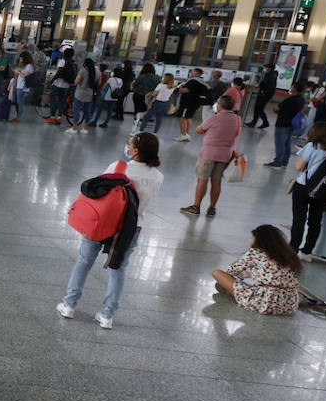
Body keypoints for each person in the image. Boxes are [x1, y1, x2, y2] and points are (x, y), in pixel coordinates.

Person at [56, 131, 163, 330]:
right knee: (118, 269)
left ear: (136, 151)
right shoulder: (158, 176)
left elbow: (98, 191)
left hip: (103, 223)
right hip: (131, 229)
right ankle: (107, 315)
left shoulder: (119, 167)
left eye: (129, 144)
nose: (127, 147)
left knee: (84, 261)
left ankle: (69, 305)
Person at [212, 225, 301, 317]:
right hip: (289, 304)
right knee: (246, 276)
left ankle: (233, 292)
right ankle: (235, 289)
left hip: (265, 303)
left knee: (217, 273)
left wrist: (249, 251)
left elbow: (231, 271)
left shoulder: (256, 252)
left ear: (258, 239)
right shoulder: (289, 255)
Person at [289, 122, 326, 260]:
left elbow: (299, 167)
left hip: (303, 186)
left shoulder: (312, 146)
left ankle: (292, 250)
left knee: (299, 220)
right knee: (315, 221)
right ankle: (307, 252)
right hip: (324, 189)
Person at [181, 95, 241, 218]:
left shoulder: (214, 118)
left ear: (220, 105)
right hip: (225, 154)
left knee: (202, 180)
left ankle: (196, 207)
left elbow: (199, 129)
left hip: (209, 153)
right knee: (216, 181)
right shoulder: (237, 119)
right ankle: (212, 208)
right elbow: (236, 136)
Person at [265, 80, 307, 169]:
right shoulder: (301, 100)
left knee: (280, 144)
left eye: (292, 87)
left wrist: (276, 110)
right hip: (292, 124)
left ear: (295, 89)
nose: (291, 88)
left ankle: (277, 163)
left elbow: (276, 109)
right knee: (287, 144)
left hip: (282, 124)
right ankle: (284, 162)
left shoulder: (289, 100)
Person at [174, 67, 208, 141]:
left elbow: (185, 90)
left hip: (187, 103)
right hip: (194, 103)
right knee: (188, 117)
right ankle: (186, 134)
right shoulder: (201, 81)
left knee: (182, 117)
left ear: (196, 73)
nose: (191, 72)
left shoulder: (193, 81)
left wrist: (179, 88)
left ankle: (183, 134)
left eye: (192, 71)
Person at [67, 56, 97, 134]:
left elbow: (76, 81)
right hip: (90, 94)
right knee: (87, 111)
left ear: (85, 64)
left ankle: (74, 128)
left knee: (76, 110)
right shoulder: (95, 72)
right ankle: (86, 129)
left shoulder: (83, 70)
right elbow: (98, 83)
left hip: (80, 93)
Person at [47, 47, 76, 124]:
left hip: (58, 84)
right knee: (62, 102)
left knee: (52, 100)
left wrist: (51, 81)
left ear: (64, 54)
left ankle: (52, 117)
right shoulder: (72, 63)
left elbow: (59, 72)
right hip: (66, 85)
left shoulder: (62, 61)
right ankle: (59, 117)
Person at [247, 63, 277, 128]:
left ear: (269, 68)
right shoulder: (269, 74)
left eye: (266, 67)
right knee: (257, 108)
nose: (265, 69)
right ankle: (254, 122)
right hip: (263, 93)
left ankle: (265, 122)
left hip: (265, 94)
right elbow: (265, 83)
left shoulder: (271, 75)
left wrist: (264, 93)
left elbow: (270, 86)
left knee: (259, 108)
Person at [11, 50, 36, 122]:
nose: (21, 59)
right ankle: (18, 116)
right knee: (18, 102)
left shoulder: (30, 66)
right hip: (20, 86)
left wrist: (17, 72)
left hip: (23, 87)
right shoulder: (27, 66)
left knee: (20, 103)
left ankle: (19, 118)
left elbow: (24, 75)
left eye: (21, 58)